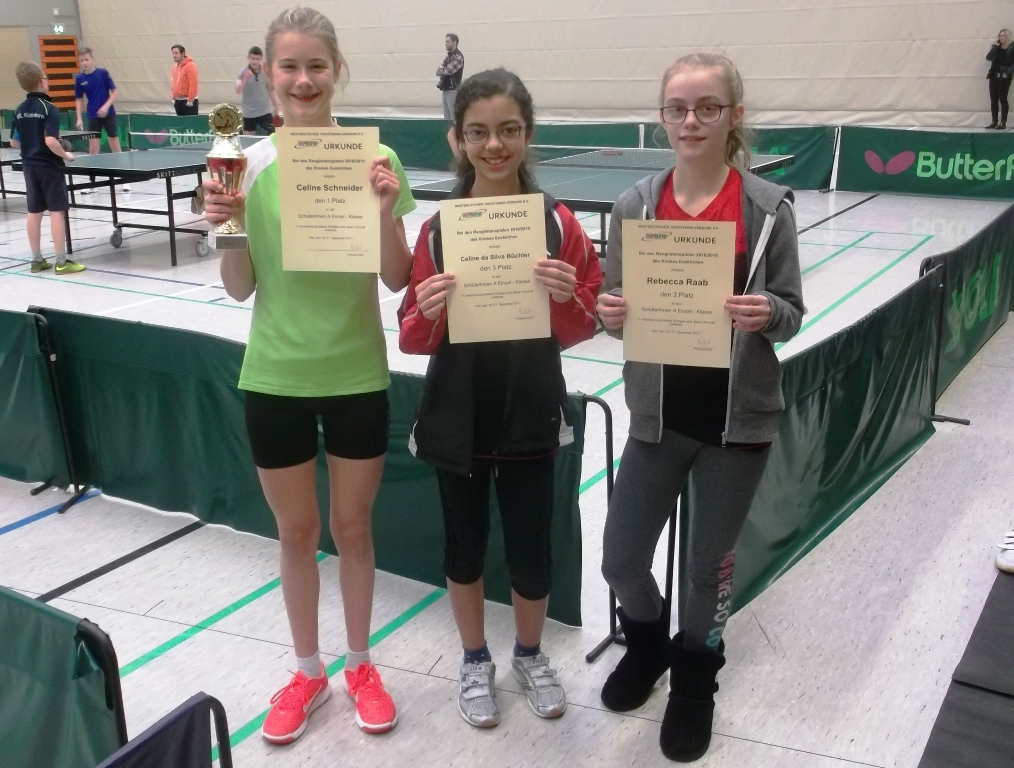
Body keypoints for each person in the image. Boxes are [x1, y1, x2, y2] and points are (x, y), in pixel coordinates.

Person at [202, 6, 416, 744]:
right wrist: (227, 223)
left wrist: (383, 210)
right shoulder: (243, 164)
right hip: (275, 378)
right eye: (288, 66)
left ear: (336, 71)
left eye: (316, 65)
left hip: (357, 375)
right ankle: (306, 671)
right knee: (297, 533)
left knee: (353, 529)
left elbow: (397, 278)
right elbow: (239, 289)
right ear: (266, 74)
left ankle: (360, 664)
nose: (303, 79)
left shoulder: (376, 157)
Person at [596, 52, 803, 762]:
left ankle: (694, 683)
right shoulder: (635, 205)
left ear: (733, 116)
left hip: (736, 425)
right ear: (662, 117)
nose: (691, 120)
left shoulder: (768, 209)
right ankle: (648, 644)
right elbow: (615, 308)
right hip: (659, 419)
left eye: (708, 107)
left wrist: (767, 312)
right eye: (678, 108)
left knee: (708, 572)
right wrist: (610, 312)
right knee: (621, 560)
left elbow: (792, 312)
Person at [398, 68, 602, 729]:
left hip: (530, 409)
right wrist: (429, 308)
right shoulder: (437, 229)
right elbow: (410, 335)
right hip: (457, 413)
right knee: (463, 548)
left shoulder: (558, 224)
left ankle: (531, 655)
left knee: (531, 551)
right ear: (457, 139)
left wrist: (567, 296)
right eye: (479, 132)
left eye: (509, 130)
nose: (494, 145)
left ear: (528, 134)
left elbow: (585, 322)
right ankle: (473, 659)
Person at [10, 61, 85, 275]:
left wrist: (32, 143)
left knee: (34, 211)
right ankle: (61, 262)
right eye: (45, 77)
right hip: (49, 167)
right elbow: (51, 141)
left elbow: (14, 142)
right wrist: (66, 154)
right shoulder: (49, 108)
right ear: (41, 81)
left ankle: (37, 260)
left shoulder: (19, 109)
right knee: (56, 211)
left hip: (29, 166)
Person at [74, 47, 129, 194]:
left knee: (115, 145)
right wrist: (79, 118)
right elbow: (79, 99)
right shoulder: (79, 79)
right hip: (92, 115)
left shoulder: (102, 73)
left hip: (108, 114)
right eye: (81, 60)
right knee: (93, 148)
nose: (84, 63)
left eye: (86, 59)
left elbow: (114, 91)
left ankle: (124, 180)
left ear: (92, 60)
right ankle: (92, 184)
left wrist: (106, 106)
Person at [236, 46, 278, 135]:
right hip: (249, 113)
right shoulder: (242, 73)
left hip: (264, 111)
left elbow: (271, 89)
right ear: (248, 58)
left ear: (261, 60)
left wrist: (276, 107)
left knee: (272, 136)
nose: (255, 61)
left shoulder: (266, 72)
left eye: (257, 59)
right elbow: (238, 91)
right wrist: (245, 79)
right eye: (253, 58)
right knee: (248, 139)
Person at [985, 29, 1014, 129]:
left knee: (1003, 99)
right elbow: (988, 57)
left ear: (1008, 37)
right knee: (993, 100)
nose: (1001, 37)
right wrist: (995, 47)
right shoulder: (996, 48)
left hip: (1004, 77)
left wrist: (1007, 72)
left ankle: (1003, 122)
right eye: (1000, 35)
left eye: (1003, 36)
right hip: (994, 76)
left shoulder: (1012, 48)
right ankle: (994, 121)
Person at [436, 34, 464, 121]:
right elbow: (438, 71)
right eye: (446, 41)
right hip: (446, 89)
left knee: (453, 117)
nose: (445, 44)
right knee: (447, 118)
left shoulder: (458, 57)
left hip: (453, 89)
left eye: (448, 41)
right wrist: (442, 70)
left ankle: (454, 130)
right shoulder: (449, 56)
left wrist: (442, 69)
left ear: (454, 42)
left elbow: (447, 71)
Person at [170, 44, 199, 116]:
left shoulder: (190, 66)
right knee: (180, 122)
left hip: (188, 101)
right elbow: (174, 84)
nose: (174, 55)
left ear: (182, 54)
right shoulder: (174, 68)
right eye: (173, 53)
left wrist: (190, 100)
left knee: (190, 122)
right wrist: (173, 97)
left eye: (176, 53)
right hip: (178, 101)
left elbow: (193, 84)